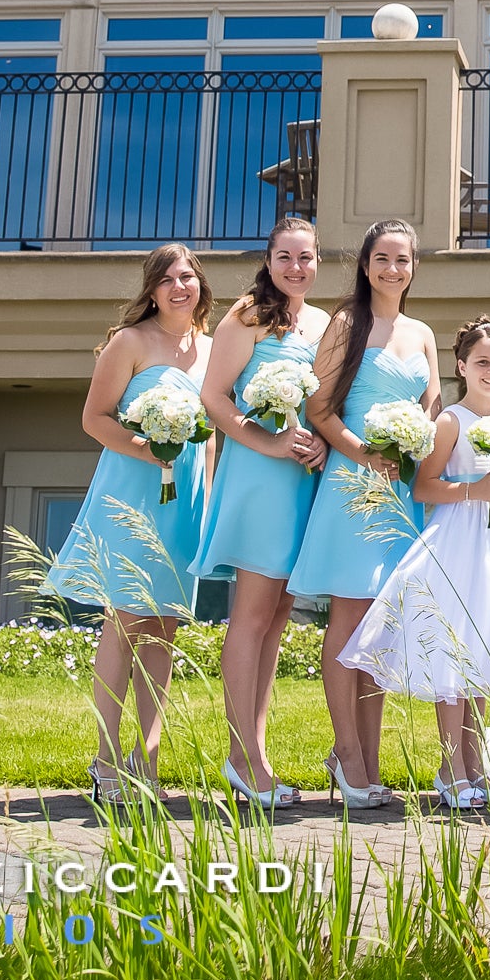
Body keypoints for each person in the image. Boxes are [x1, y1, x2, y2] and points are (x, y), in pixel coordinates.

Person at [340, 319, 490, 810]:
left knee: (478, 656)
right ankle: (450, 768)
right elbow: (423, 486)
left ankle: (474, 766)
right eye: (482, 363)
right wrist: (473, 491)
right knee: (453, 657)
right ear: (462, 366)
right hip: (459, 544)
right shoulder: (451, 421)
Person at [42, 242, 213, 807]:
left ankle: (149, 758)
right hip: (131, 490)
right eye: (167, 279)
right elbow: (94, 418)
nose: (178, 287)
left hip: (183, 500)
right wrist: (146, 447)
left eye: (187, 277)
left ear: (200, 286)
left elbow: (215, 435)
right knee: (127, 617)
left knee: (164, 624)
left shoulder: (213, 351)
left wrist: (210, 498)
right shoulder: (130, 343)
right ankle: (106, 756)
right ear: (152, 289)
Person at [284, 218, 441, 809]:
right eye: (382, 259)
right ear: (365, 264)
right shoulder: (346, 324)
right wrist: (366, 454)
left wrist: (416, 445)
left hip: (400, 488)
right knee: (349, 620)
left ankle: (369, 762)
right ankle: (345, 752)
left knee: (380, 629)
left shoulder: (423, 332)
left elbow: (430, 406)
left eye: (402, 260)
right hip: (355, 482)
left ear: (414, 267)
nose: (391, 270)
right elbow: (320, 408)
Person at [191, 216, 329, 809]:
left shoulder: (322, 323)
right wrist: (269, 441)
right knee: (251, 615)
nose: (296, 268)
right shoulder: (247, 315)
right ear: (268, 261)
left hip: (303, 477)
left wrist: (322, 440)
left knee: (278, 617)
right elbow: (214, 397)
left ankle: (256, 754)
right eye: (285, 257)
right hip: (259, 473)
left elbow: (324, 401)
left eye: (306, 257)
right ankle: (241, 757)